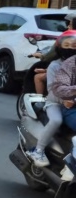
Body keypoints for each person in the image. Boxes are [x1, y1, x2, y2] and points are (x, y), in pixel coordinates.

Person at [28, 31, 76, 166]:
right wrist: (66, 100)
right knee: (55, 120)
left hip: (73, 105)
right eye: (67, 45)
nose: (71, 48)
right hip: (55, 103)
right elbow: (52, 89)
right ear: (60, 48)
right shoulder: (55, 66)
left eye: (74, 45)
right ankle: (38, 150)